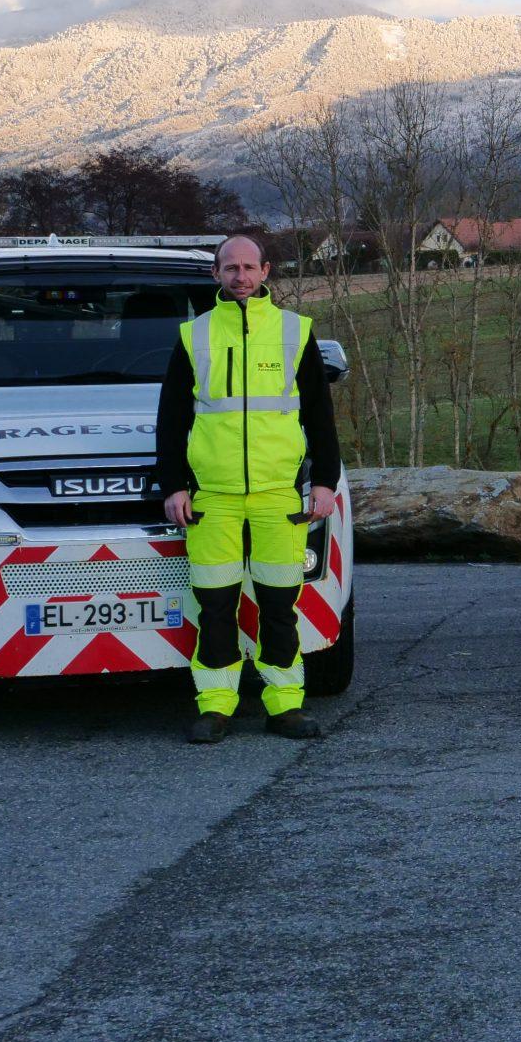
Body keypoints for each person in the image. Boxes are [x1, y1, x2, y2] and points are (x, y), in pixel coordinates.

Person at [156, 232, 342, 744]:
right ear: (215, 274)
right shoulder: (193, 335)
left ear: (266, 272)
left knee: (279, 604)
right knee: (214, 605)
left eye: (248, 267)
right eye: (229, 267)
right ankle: (216, 706)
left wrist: (324, 482)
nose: (240, 276)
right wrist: (174, 485)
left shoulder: (294, 331)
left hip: (278, 495)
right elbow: (170, 420)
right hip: (212, 496)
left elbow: (320, 418)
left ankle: (284, 706)